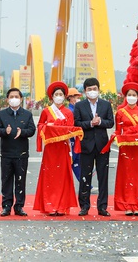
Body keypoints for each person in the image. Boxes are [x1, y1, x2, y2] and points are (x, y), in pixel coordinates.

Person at [34, 81, 83, 216]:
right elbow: (40, 127)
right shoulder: (46, 111)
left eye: (61, 94)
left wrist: (58, 129)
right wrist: (49, 128)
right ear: (52, 97)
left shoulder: (68, 112)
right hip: (50, 148)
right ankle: (49, 205)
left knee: (62, 176)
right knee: (50, 176)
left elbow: (70, 129)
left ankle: (61, 206)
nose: (59, 96)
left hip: (63, 147)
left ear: (64, 96)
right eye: (56, 94)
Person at [108, 82, 138, 216]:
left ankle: (137, 205)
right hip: (126, 149)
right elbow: (118, 131)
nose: (132, 97)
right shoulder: (120, 112)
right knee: (126, 176)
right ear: (126, 97)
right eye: (129, 95)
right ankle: (127, 205)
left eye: (134, 95)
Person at [74, 77, 114, 217]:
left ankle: (102, 206)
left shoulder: (105, 105)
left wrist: (100, 121)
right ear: (85, 91)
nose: (92, 91)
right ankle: (84, 206)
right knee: (85, 176)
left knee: (103, 177)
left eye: (94, 89)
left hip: (102, 145)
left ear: (98, 90)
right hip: (86, 145)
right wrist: (91, 123)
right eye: (89, 89)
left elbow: (110, 122)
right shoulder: (80, 106)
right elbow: (77, 123)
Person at [0, 88, 36, 217]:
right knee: (6, 181)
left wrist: (22, 132)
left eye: (16, 97)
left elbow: (32, 130)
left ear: (21, 99)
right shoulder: (1, 114)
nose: (14, 99)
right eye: (11, 97)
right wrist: (4, 132)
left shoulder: (27, 114)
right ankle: (6, 206)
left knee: (20, 180)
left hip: (21, 153)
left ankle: (19, 206)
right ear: (7, 99)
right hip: (6, 153)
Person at [66, 87, 82, 181]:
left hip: (76, 139)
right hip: (72, 140)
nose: (78, 98)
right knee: (73, 161)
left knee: (76, 162)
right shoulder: (70, 111)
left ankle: (86, 185)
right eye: (76, 96)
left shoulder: (76, 109)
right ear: (71, 98)